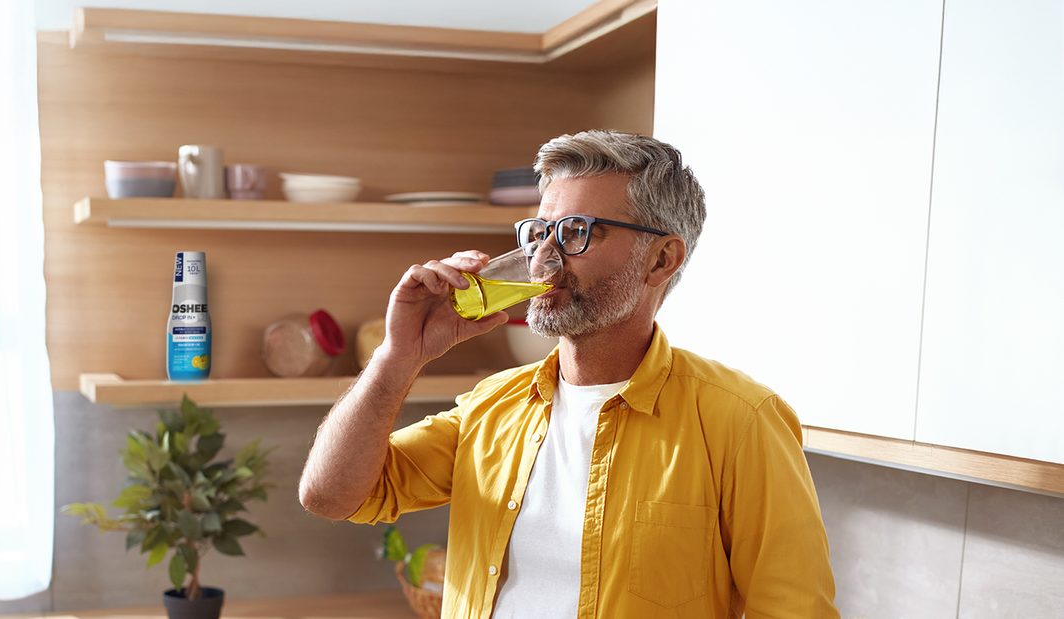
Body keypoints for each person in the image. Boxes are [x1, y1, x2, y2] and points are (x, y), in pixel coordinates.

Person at [299, 130, 839, 619]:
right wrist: (398, 356)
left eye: (577, 232)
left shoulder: (741, 421)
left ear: (661, 260)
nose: (543, 258)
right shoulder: (492, 407)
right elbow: (330, 497)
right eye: (540, 232)